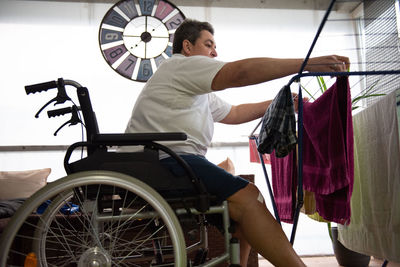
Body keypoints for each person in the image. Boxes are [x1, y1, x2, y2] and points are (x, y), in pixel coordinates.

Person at [124, 19, 349, 267]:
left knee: (242, 215)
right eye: (208, 44)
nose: (215, 52)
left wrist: (278, 102)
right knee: (251, 197)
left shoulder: (194, 88)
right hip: (166, 161)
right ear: (187, 47)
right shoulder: (180, 66)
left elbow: (234, 113)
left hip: (173, 159)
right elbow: (239, 73)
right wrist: (305, 65)